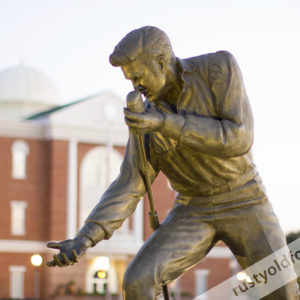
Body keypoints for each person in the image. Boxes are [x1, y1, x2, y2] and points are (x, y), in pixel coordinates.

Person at [47, 26, 299, 300]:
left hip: (245, 198)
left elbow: (239, 137)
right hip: (192, 209)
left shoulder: (217, 68)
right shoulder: (146, 116)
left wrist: (166, 124)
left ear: (161, 62)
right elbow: (131, 182)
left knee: (281, 291)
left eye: (139, 77)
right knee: (137, 281)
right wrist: (86, 237)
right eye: (131, 81)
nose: (136, 88)